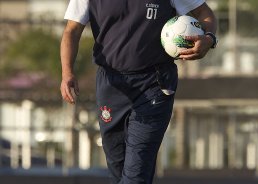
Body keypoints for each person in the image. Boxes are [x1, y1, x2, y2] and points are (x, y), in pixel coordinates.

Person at [60, 0, 217, 183]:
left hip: (154, 84)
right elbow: (71, 30)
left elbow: (205, 14)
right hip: (110, 85)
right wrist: (67, 72)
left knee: (136, 172)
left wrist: (209, 39)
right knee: (117, 170)